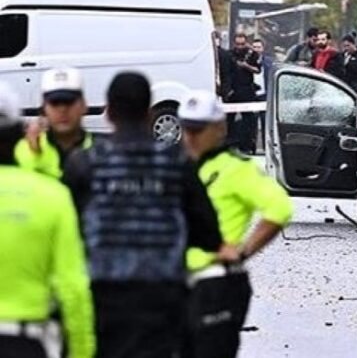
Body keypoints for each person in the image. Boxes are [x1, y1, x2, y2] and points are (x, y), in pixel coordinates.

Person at [62, 72, 235, 358]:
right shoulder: (176, 163)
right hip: (162, 295)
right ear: (148, 112)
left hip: (102, 294)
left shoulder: (85, 164)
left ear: (108, 112)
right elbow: (207, 232)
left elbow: (68, 228)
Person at [178, 90, 293, 358]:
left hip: (216, 282)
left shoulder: (237, 169)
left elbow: (279, 208)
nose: (191, 137)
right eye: (187, 128)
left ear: (219, 128)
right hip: (173, 283)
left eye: (199, 129)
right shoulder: (176, 166)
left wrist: (244, 251)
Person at [0, 82, 95, 358]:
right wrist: (82, 351)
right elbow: (72, 287)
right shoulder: (52, 196)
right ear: (19, 134)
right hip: (27, 341)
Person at [15, 68, 94, 179]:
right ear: (43, 109)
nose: (62, 110)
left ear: (84, 106)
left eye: (69, 102)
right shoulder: (22, 150)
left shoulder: (102, 150)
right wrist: (35, 156)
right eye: (55, 103)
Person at [228, 33, 260, 155]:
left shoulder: (252, 54)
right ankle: (230, 145)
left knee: (248, 119)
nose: (240, 47)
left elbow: (257, 70)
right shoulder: (230, 54)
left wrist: (247, 66)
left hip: (246, 89)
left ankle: (246, 145)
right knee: (229, 119)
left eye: (242, 44)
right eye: (238, 44)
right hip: (233, 89)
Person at [251, 38, 274, 151]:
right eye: (254, 47)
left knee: (266, 122)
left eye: (258, 47)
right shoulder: (248, 62)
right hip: (251, 96)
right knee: (251, 124)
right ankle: (252, 148)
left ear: (263, 48)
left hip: (265, 96)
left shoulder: (269, 62)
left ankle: (266, 149)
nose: (256, 49)